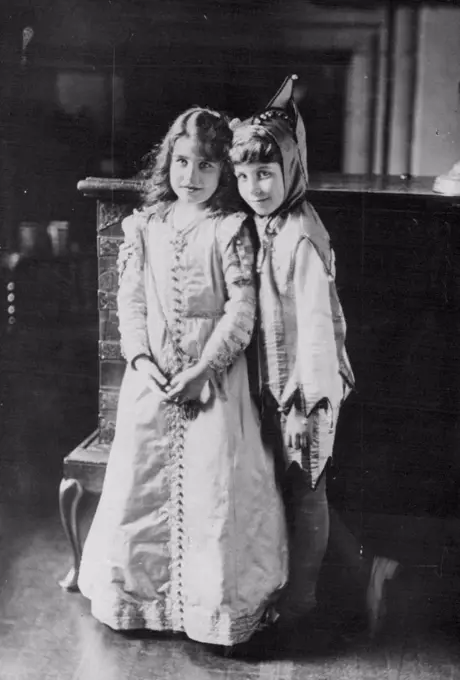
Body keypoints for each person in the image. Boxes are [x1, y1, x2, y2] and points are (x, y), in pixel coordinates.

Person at [78, 107, 288, 649]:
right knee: (140, 484)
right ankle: (143, 602)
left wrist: (202, 369)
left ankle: (209, 612)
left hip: (212, 381)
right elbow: (130, 304)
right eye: (182, 162)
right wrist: (141, 360)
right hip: (150, 382)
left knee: (213, 492)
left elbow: (242, 310)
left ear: (223, 174)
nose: (190, 177)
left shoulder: (229, 229)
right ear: (167, 161)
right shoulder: (144, 226)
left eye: (207, 166)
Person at [230, 77, 399, 645]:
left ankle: (299, 608)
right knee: (301, 490)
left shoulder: (300, 232)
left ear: (291, 171)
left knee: (306, 491)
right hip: (273, 387)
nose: (254, 187)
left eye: (266, 174)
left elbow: (319, 325)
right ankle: (366, 572)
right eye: (244, 176)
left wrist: (309, 399)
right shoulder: (266, 224)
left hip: (305, 390)